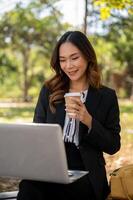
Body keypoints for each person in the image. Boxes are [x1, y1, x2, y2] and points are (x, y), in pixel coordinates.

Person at [17, 30, 121, 200]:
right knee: (29, 187)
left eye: (74, 58)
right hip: (51, 167)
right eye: (63, 60)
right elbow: (37, 132)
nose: (69, 66)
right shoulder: (49, 90)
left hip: (86, 171)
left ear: (88, 56)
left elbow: (113, 145)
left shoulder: (106, 96)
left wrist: (88, 120)